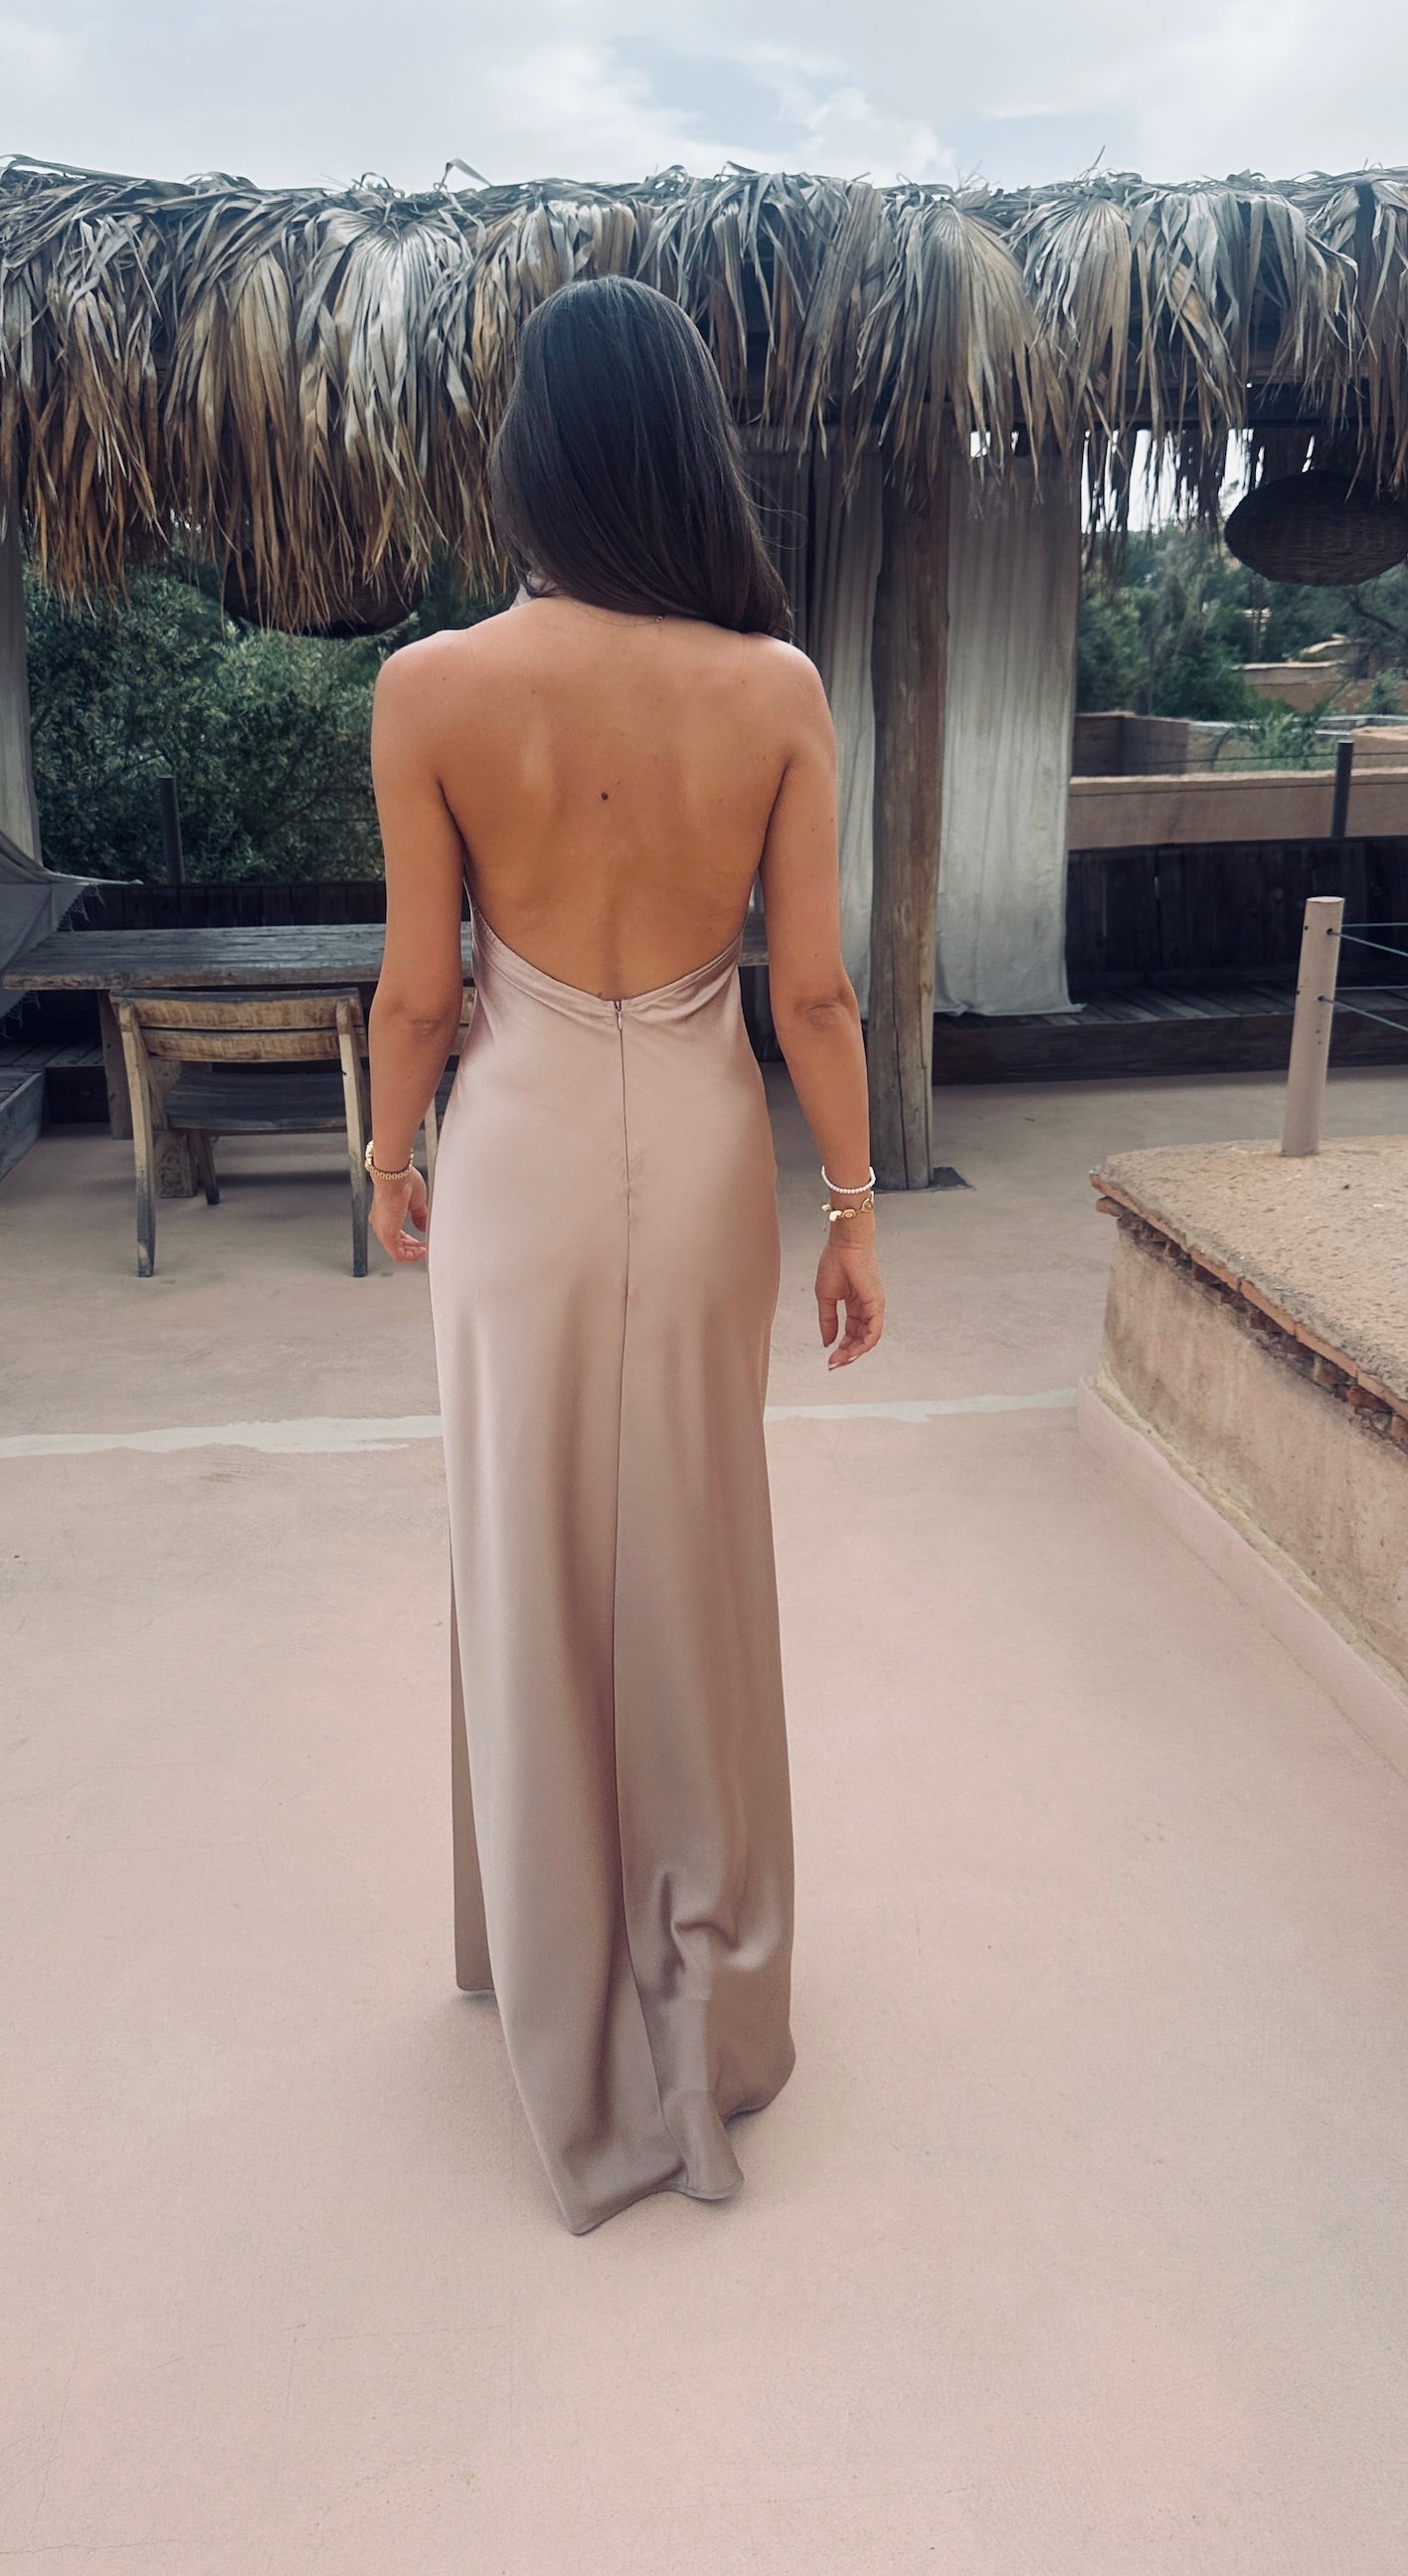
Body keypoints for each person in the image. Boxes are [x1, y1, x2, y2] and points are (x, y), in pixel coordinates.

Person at [365, 276, 884, 2234]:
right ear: (686, 453)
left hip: (512, 1153)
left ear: (533, 458)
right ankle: (709, 1999)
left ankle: (551, 1965)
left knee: (522, 1536)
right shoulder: (775, 690)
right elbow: (813, 995)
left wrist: (389, 1152)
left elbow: (422, 993)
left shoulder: (429, 688)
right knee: (695, 1540)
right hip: (703, 1134)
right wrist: (854, 1207)